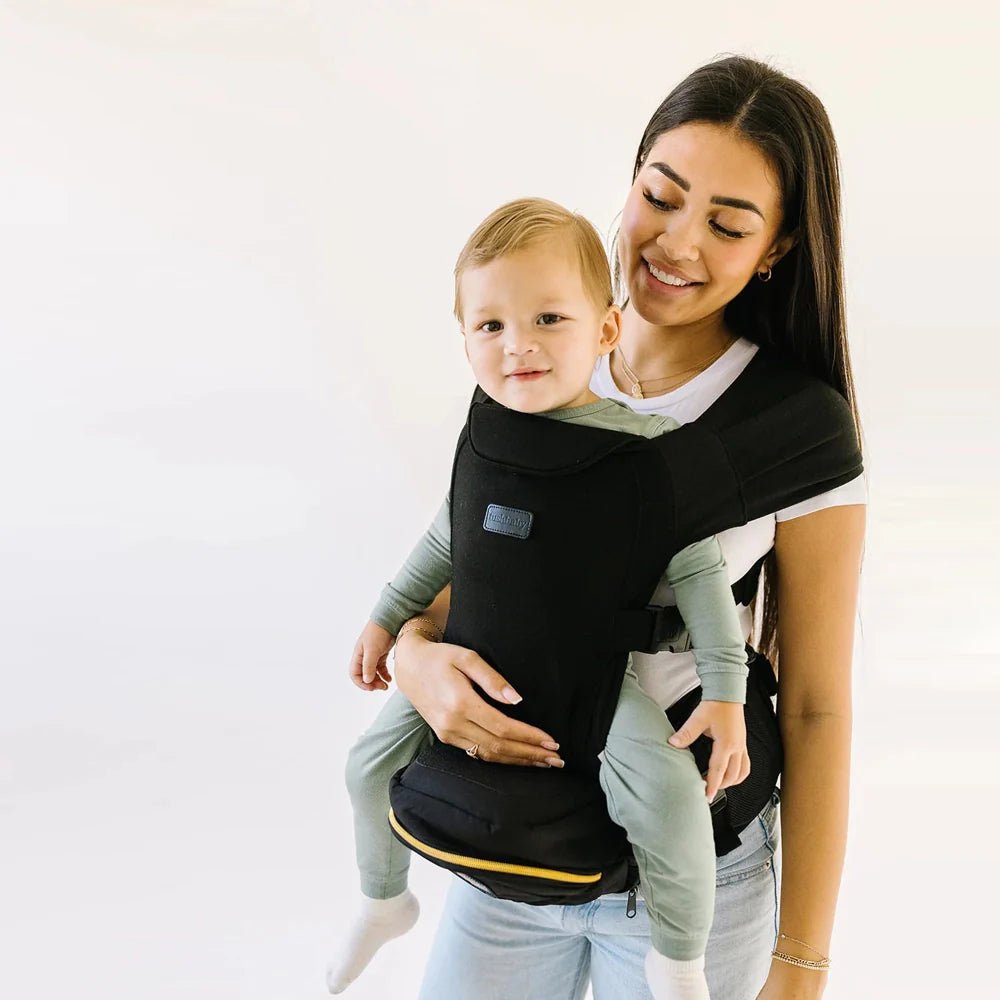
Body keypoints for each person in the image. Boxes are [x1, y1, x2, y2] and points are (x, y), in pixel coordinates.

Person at [389, 56, 866, 1000]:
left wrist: (803, 962)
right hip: (510, 846)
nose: (676, 243)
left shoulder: (795, 426)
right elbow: (464, 585)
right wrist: (414, 661)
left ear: (775, 249)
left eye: (728, 224)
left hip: (693, 881)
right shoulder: (534, 357)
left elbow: (816, 705)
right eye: (661, 196)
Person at [329, 197, 753, 1000]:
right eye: (489, 325)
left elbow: (702, 578)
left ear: (606, 329)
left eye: (548, 319)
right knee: (365, 766)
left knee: (669, 801)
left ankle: (677, 964)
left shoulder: (647, 457)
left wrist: (725, 693)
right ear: (464, 341)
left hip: (589, 684)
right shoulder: (485, 433)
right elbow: (447, 541)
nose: (517, 343)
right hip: (474, 663)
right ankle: (383, 902)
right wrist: (388, 619)